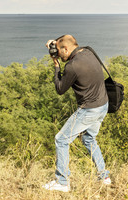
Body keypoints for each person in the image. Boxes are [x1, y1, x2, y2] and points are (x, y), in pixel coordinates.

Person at [43, 35, 111, 193]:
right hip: (103, 105)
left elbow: (60, 89)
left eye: (59, 52)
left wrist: (56, 65)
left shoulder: (72, 66)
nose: (59, 55)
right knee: (88, 138)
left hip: (89, 110)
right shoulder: (88, 52)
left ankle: (62, 182)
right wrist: (56, 43)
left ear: (65, 49)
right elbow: (67, 43)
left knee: (61, 140)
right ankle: (104, 176)